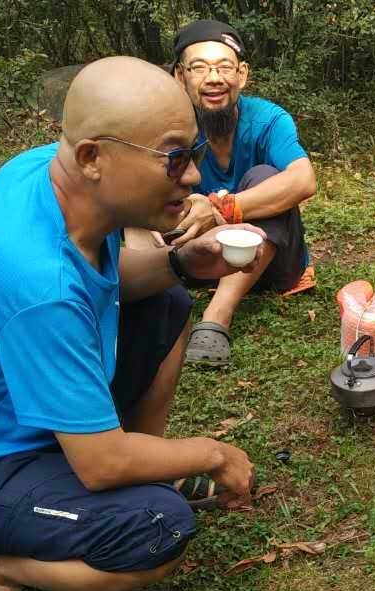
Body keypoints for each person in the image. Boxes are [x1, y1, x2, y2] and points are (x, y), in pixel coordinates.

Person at [0, 57, 259, 591]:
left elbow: (115, 280)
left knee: (166, 302)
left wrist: (178, 262)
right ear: (93, 158)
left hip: (14, 408)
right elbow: (100, 464)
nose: (191, 176)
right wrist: (212, 453)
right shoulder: (38, 286)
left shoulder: (39, 170)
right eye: (173, 158)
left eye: (190, 152)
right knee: (158, 530)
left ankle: (153, 472)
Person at [128, 19, 318, 366]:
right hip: (197, 259)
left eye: (224, 67)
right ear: (179, 77)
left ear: (242, 75)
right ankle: (154, 293)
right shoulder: (167, 127)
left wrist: (219, 209)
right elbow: (135, 190)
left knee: (266, 176)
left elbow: (303, 180)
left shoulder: (268, 119)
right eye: (198, 68)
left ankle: (216, 320)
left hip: (271, 262)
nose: (213, 78)